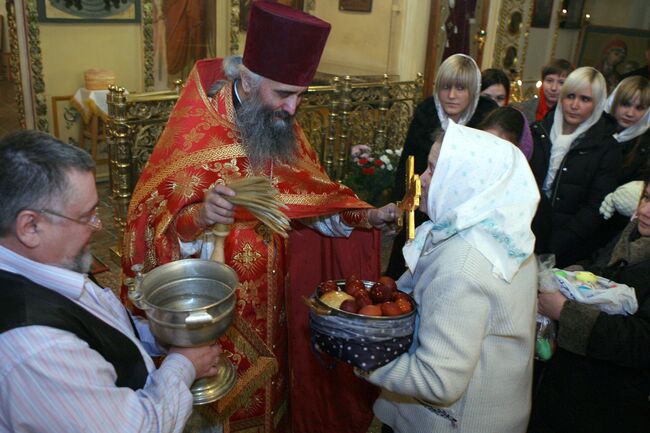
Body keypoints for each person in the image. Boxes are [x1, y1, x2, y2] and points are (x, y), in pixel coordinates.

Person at [121, 2, 398, 433]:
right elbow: (151, 219)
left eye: (300, 96)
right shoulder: (199, 133)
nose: (292, 109)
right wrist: (199, 215)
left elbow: (311, 200)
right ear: (247, 83)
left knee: (277, 405)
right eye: (283, 94)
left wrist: (364, 217)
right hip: (218, 313)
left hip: (278, 303)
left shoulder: (278, 127)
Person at [0, 130, 223, 433]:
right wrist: (183, 364)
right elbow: (139, 427)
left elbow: (97, 324)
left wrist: (162, 335)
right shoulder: (37, 347)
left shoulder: (43, 262)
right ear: (30, 227)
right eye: (86, 216)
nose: (98, 225)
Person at [364, 121, 539, 433]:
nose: (422, 179)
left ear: (465, 181)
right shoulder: (504, 236)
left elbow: (437, 380)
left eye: (433, 169)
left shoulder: (463, 265)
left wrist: (361, 357)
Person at [528, 176, 650, 433]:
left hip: (612, 405)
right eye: (647, 197)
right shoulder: (628, 237)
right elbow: (596, 267)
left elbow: (641, 341)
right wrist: (563, 279)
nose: (644, 210)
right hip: (570, 385)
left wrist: (565, 310)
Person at [385, 53, 497, 278]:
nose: (452, 96)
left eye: (461, 89)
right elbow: (408, 163)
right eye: (446, 87)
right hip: (420, 207)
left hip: (463, 219)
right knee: (402, 275)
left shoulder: (486, 117)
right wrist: (402, 204)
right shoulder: (427, 111)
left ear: (473, 90)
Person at [529, 66, 621, 267]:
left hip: (569, 248)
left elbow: (595, 206)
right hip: (525, 234)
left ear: (597, 104)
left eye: (585, 99)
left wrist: (554, 244)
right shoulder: (539, 131)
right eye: (570, 96)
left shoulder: (606, 146)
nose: (575, 105)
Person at [596, 76, 650, 248]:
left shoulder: (645, 145)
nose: (630, 113)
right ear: (614, 102)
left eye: (639, 108)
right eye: (625, 104)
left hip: (616, 230)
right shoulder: (595, 132)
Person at [513, 58, 574, 123]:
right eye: (549, 81)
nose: (553, 88)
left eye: (561, 83)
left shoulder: (573, 115)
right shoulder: (522, 109)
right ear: (542, 81)